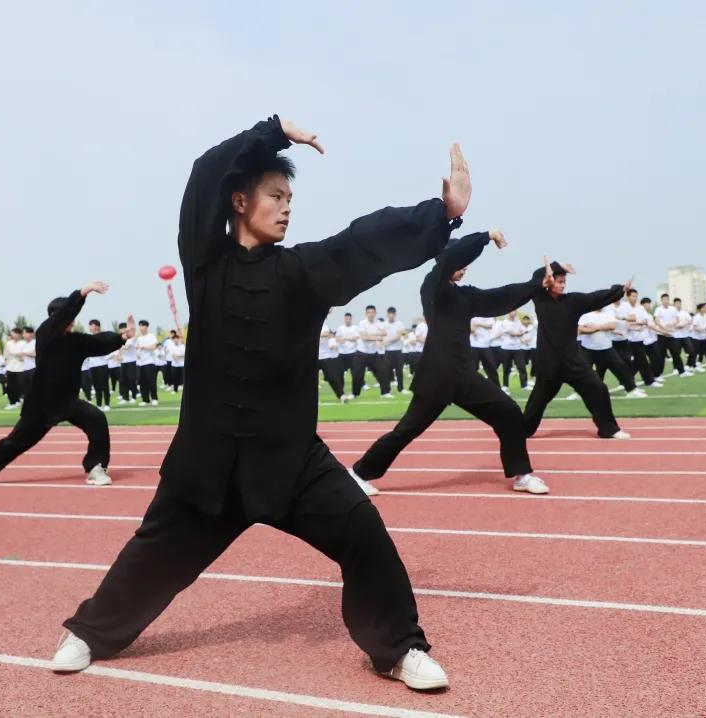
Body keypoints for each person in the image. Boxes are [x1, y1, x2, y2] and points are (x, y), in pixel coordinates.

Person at [55, 116, 469, 690]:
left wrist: (441, 214)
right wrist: (273, 130)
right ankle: (91, 633)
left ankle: (399, 648)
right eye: (275, 195)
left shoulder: (302, 272)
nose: (286, 206)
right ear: (239, 200)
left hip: (290, 461)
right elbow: (204, 174)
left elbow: (362, 244)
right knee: (153, 555)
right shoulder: (204, 265)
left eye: (290, 197)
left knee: (363, 531)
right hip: (207, 464)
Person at [350, 229, 547, 496]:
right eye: (459, 263)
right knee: (406, 430)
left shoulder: (464, 296)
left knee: (508, 412)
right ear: (445, 262)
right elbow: (452, 255)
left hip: (464, 375)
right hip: (436, 377)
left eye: (465, 265)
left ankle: (522, 475)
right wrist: (485, 236)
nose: (464, 268)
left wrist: (537, 283)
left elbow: (501, 296)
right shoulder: (433, 287)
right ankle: (359, 474)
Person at [0, 281, 128, 491]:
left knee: (96, 419)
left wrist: (121, 338)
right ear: (56, 317)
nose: (71, 320)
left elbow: (97, 342)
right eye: (67, 316)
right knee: (16, 442)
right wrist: (84, 291)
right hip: (41, 404)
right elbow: (66, 312)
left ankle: (96, 468)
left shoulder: (74, 341)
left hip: (67, 401)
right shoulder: (45, 333)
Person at [522, 261, 632, 439]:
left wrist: (619, 290)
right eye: (559, 281)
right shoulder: (540, 299)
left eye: (564, 281)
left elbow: (595, 297)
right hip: (548, 363)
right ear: (549, 281)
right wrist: (558, 266)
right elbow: (536, 277)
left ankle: (609, 429)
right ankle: (523, 430)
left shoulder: (572, 301)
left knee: (598, 388)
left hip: (572, 361)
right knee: (538, 399)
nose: (563, 284)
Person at [578, 304, 645, 398]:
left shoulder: (608, 312)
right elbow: (580, 329)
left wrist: (595, 327)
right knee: (582, 371)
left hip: (606, 348)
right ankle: (578, 393)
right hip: (587, 349)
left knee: (621, 367)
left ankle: (631, 390)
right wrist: (603, 327)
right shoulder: (585, 313)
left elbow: (612, 326)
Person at [86, 321, 111, 411]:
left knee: (105, 386)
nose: (90, 328)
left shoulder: (103, 337)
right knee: (97, 386)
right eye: (90, 326)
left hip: (102, 364)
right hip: (93, 365)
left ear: (97, 327)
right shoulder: (88, 337)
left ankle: (107, 404)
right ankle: (99, 404)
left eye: (91, 326)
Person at [383, 307, 408, 394]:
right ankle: (387, 390)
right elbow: (382, 337)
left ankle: (401, 389)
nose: (391, 316)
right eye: (389, 314)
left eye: (393, 314)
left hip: (398, 351)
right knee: (386, 371)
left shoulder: (399, 323)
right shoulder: (384, 324)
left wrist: (389, 340)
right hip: (387, 351)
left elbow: (402, 334)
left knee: (399, 371)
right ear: (387, 314)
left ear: (395, 315)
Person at [334, 312, 359, 400]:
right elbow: (337, 339)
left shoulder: (355, 328)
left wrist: (344, 338)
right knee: (339, 374)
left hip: (353, 353)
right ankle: (341, 393)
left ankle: (354, 393)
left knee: (355, 374)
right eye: (346, 318)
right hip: (342, 354)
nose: (347, 320)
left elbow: (355, 338)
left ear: (351, 319)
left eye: (348, 318)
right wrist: (345, 339)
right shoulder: (340, 328)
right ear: (344, 319)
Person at [135, 321, 159, 406]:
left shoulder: (151, 336)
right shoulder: (139, 338)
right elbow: (137, 348)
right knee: (142, 382)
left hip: (150, 362)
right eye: (140, 326)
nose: (141, 328)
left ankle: (154, 398)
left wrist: (143, 347)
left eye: (142, 326)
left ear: (146, 327)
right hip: (140, 363)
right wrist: (137, 353)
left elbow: (154, 346)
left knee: (151, 381)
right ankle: (145, 400)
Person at [4, 328, 26, 409]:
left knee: (20, 385)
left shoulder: (23, 343)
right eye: (12, 334)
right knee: (10, 386)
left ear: (19, 334)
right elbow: (6, 354)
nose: (13, 335)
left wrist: (17, 355)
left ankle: (20, 399)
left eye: (14, 333)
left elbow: (23, 355)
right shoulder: (8, 343)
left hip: (21, 368)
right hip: (10, 368)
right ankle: (12, 403)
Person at [21, 327, 37, 398]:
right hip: (25, 369)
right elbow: (22, 357)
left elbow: (36, 354)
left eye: (24, 333)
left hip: (33, 368)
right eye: (23, 334)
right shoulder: (24, 345)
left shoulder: (35, 342)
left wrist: (25, 353)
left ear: (30, 334)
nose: (23, 335)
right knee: (26, 389)